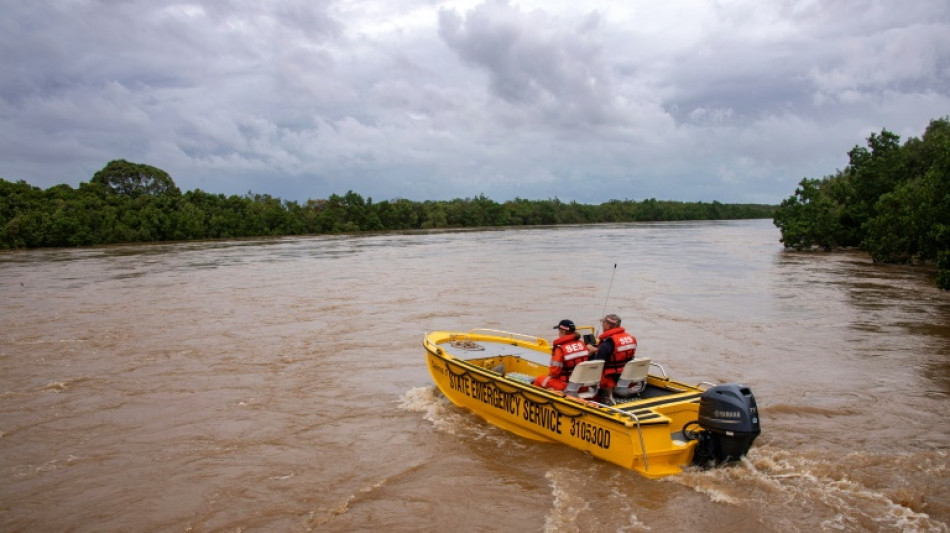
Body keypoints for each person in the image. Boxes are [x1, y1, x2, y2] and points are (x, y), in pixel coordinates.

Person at [533, 319, 590, 391]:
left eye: (559, 331)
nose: (558, 334)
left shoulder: (560, 349)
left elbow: (554, 372)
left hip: (565, 386)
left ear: (563, 332)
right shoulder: (582, 344)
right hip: (582, 385)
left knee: (539, 380)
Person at [587, 314, 637, 389]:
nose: (602, 325)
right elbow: (617, 352)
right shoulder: (631, 338)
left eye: (603, 322)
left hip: (610, 378)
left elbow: (596, 365)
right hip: (627, 375)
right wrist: (598, 349)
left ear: (608, 325)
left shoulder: (607, 344)